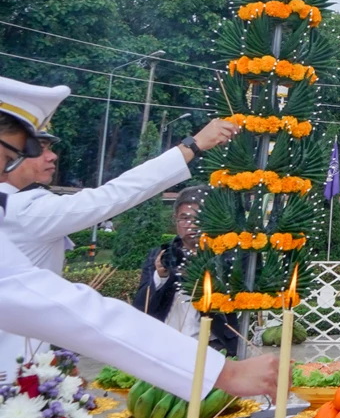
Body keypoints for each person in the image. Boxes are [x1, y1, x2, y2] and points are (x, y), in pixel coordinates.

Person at [0, 76, 241, 369]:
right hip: (12, 367)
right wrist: (192, 145)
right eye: (34, 149)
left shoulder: (19, 205)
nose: (51, 157)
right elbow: (112, 197)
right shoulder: (23, 210)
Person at [130, 187, 243, 355]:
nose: (192, 225)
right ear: (175, 220)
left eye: (200, 218)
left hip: (214, 346)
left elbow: (238, 294)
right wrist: (160, 276)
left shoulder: (226, 254)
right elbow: (141, 305)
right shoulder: (162, 255)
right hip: (165, 344)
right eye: (185, 218)